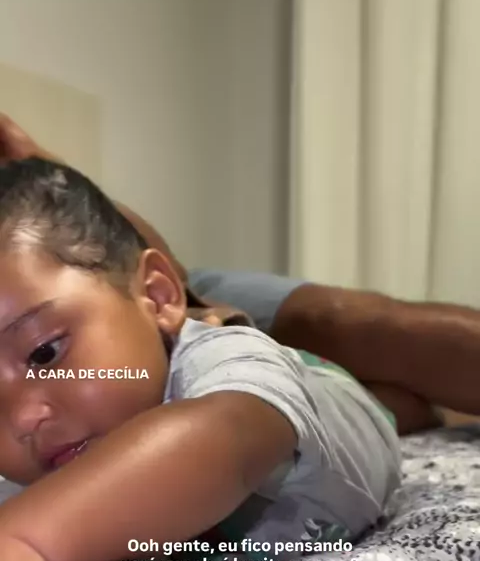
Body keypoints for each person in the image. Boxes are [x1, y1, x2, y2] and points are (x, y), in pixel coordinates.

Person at [0, 156, 401, 561]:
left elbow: (224, 438)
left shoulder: (219, 374)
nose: (22, 418)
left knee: (397, 401)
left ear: (158, 294)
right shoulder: (28, 485)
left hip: (329, 400)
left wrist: (28, 543)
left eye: (45, 353)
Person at [1, 114, 480, 435]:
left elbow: (160, 271)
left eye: (46, 352)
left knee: (351, 323)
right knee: (357, 407)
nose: (22, 418)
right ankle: (390, 408)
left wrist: (37, 164)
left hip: (162, 292)